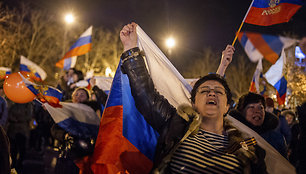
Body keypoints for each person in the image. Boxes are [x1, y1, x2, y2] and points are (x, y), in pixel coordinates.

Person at [120, 22, 266, 173]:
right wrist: (131, 49)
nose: (212, 93)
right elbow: (146, 96)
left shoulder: (249, 150)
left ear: (227, 106)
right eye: (204, 91)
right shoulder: (176, 126)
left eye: (218, 91)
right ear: (194, 103)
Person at [229, 93, 288, 158]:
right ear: (242, 111)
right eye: (251, 107)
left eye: (260, 107)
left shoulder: (276, 138)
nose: (257, 111)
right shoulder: (230, 134)